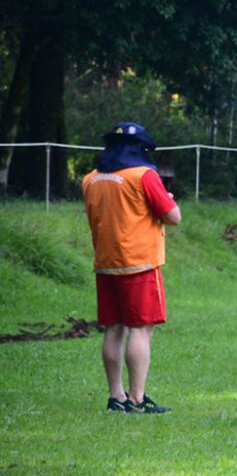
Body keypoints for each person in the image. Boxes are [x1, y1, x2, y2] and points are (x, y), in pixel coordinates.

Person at [83, 122, 180, 414]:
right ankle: (137, 397)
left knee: (113, 329)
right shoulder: (145, 176)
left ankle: (117, 396)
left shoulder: (90, 179)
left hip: (106, 263)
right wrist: (168, 202)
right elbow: (173, 216)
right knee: (141, 329)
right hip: (140, 263)